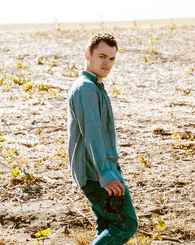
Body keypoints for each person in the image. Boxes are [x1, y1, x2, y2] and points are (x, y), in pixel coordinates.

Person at [67, 32, 138, 244]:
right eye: (102, 56)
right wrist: (107, 173)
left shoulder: (94, 85)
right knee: (126, 224)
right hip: (96, 173)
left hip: (98, 170)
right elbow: (92, 135)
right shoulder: (86, 88)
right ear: (88, 55)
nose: (107, 63)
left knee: (106, 225)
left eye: (112, 58)